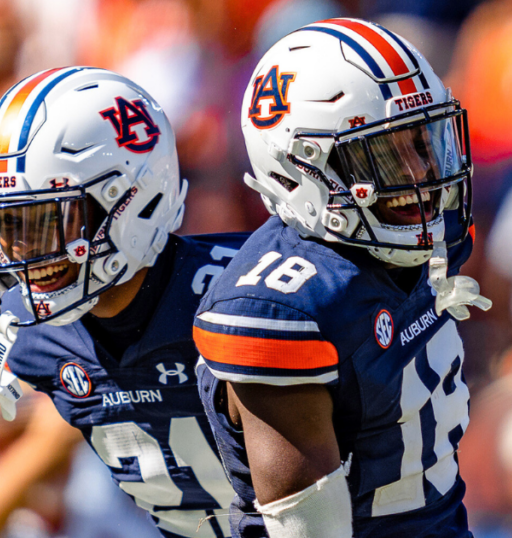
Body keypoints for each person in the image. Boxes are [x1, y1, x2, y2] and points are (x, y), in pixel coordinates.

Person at [192, 19, 491, 538]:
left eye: (422, 142)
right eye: (384, 156)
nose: (420, 174)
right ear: (299, 169)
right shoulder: (285, 307)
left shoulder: (410, 234)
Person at [0, 67, 247, 537]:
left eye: (44, 221)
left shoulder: (245, 297)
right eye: (6, 225)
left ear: (130, 200)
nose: (18, 251)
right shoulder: (33, 337)